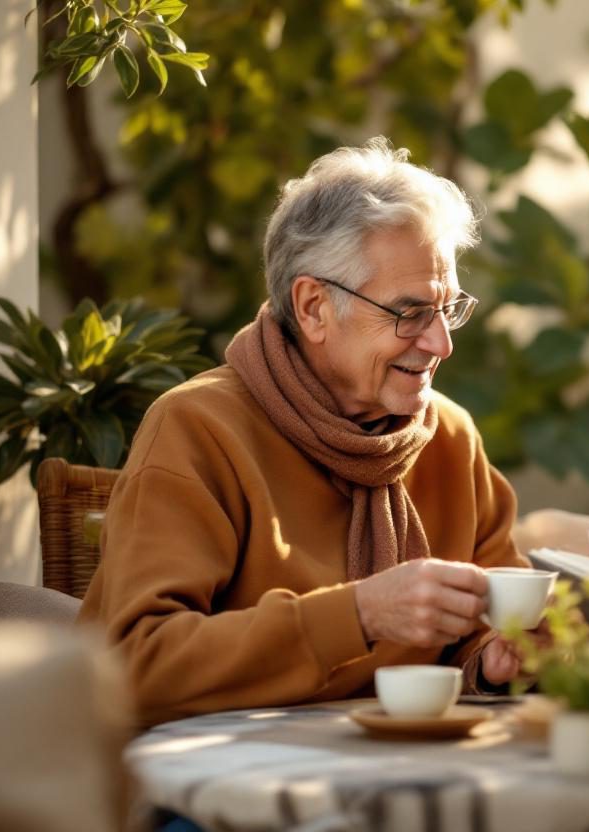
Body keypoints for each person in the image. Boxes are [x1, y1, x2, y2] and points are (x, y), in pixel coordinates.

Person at [79, 139, 526, 726]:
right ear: (314, 307)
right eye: (409, 312)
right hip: (215, 786)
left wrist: (493, 661)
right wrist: (358, 615)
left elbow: (485, 631)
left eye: (447, 309)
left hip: (397, 774)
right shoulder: (197, 429)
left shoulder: (449, 437)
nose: (441, 342)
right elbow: (135, 667)